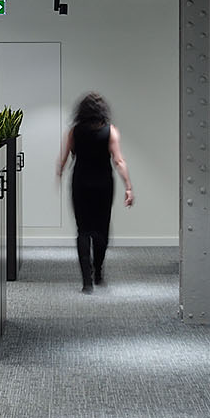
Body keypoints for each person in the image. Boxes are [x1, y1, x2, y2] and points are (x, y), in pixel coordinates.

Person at [55, 92, 134, 292]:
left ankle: (86, 282)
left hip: (80, 183)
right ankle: (98, 271)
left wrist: (59, 174)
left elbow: (63, 159)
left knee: (83, 230)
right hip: (103, 185)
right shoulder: (111, 131)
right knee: (101, 229)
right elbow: (118, 161)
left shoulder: (74, 132)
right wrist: (128, 187)